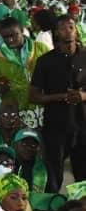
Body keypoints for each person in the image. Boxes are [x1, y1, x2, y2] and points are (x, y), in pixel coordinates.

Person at [30, 14, 86, 191]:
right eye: (63, 28)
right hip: (56, 126)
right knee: (54, 175)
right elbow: (33, 96)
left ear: (76, 30)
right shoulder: (45, 61)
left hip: (83, 125)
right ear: (56, 32)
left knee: (82, 176)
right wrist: (62, 97)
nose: (68, 31)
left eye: (71, 27)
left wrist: (83, 96)